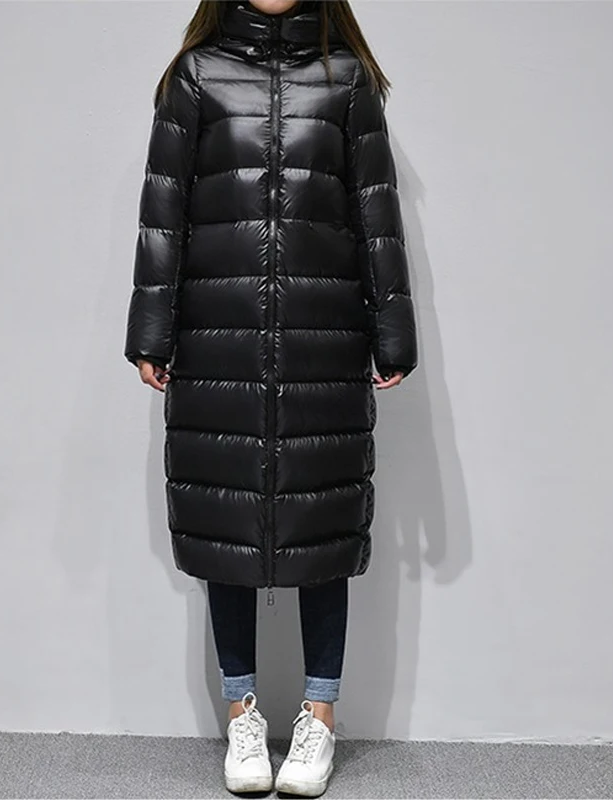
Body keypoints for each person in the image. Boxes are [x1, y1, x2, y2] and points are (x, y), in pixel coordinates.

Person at [124, 0, 418, 795]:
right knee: (225, 526)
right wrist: (152, 333)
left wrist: (393, 332)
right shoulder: (195, 77)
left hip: (325, 338)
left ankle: (318, 719)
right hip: (217, 337)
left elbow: (377, 214)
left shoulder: (347, 80)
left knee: (322, 529)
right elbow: (163, 213)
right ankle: (243, 718)